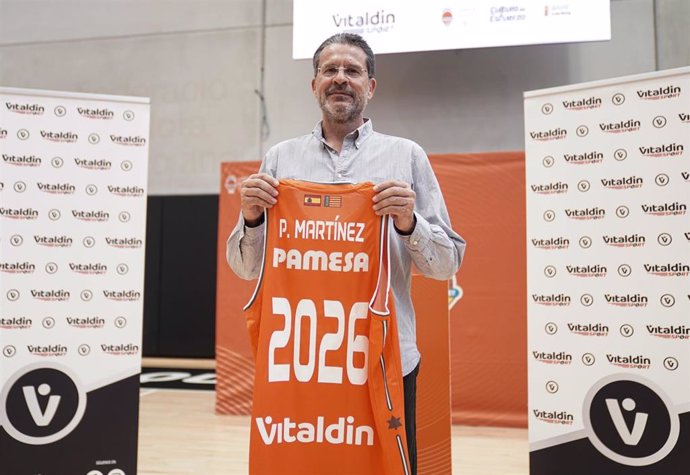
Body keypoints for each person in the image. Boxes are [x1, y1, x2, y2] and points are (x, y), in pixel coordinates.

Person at [227, 33, 465, 475]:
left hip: (383, 356)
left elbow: (446, 263)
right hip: (303, 361)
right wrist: (253, 217)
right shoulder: (280, 159)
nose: (341, 79)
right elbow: (245, 269)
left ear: (370, 86)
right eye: (330, 70)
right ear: (314, 84)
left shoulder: (405, 156)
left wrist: (410, 223)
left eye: (352, 71)